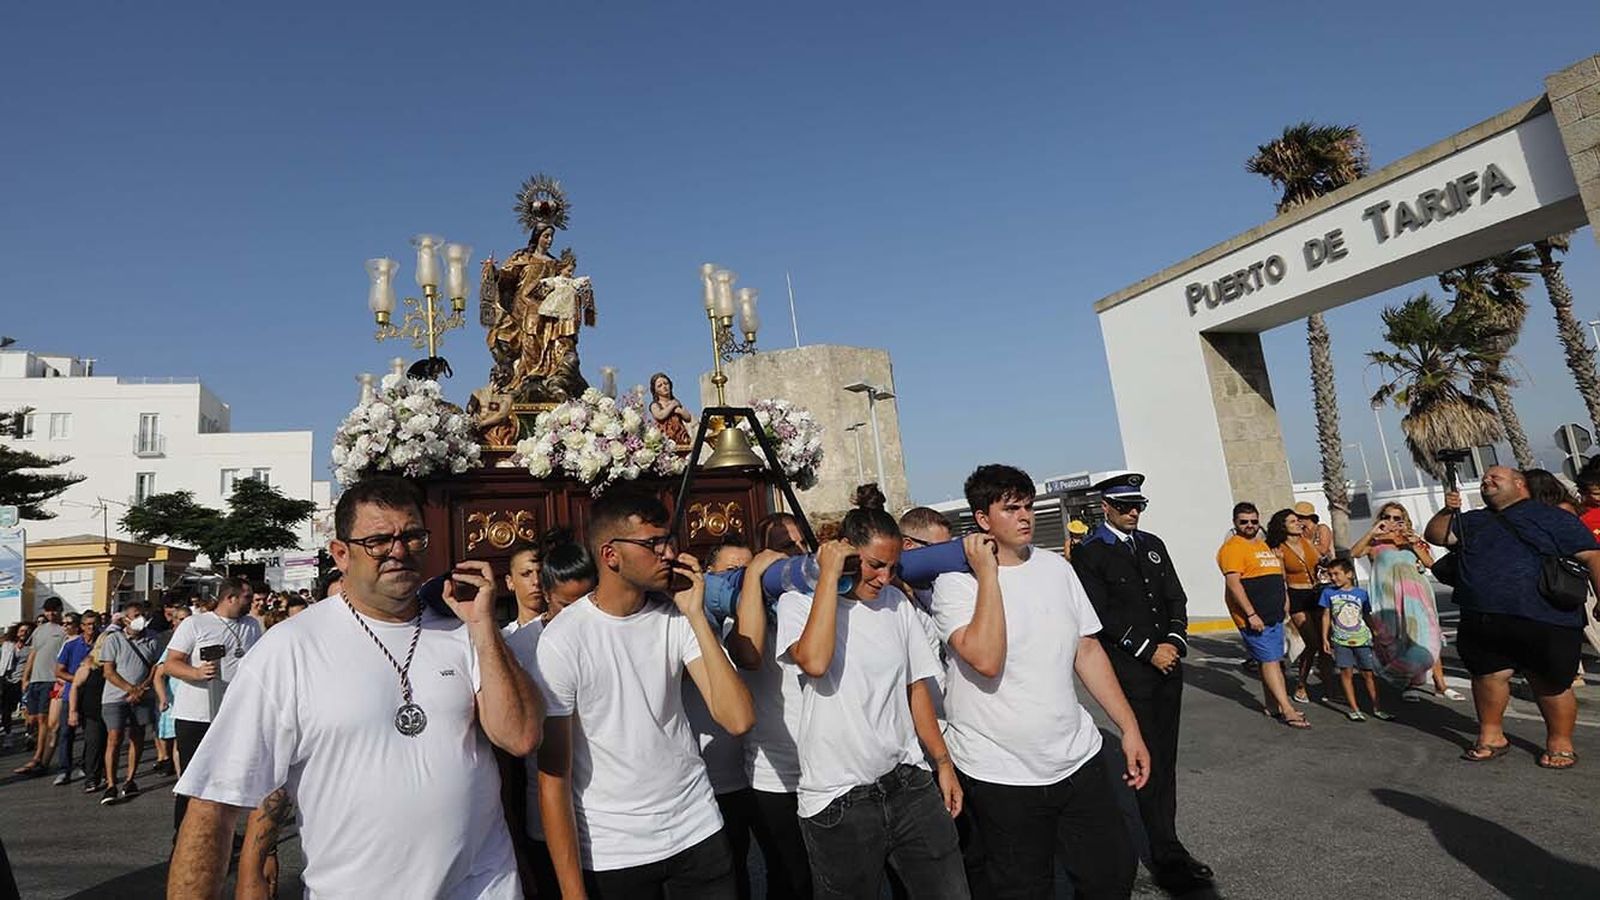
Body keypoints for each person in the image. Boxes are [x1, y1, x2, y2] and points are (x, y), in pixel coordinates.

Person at [169, 475, 541, 898]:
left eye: (412, 536)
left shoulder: (464, 627)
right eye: (379, 540)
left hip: (483, 888)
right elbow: (213, 805)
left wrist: (483, 627)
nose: (398, 552)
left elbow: (521, 736)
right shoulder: (288, 650)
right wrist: (253, 864)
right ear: (341, 554)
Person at [932, 465, 1150, 899]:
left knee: (1111, 873)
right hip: (1000, 772)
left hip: (1076, 758)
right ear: (982, 520)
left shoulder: (1057, 568)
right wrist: (989, 574)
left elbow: (1086, 650)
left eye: (1028, 506)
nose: (1025, 516)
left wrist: (1130, 729)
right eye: (1010, 508)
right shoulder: (954, 585)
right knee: (1023, 888)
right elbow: (986, 660)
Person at [536, 489, 754, 898]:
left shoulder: (674, 617)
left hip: (697, 828)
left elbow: (738, 718)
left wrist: (695, 614)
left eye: (668, 540)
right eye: (652, 543)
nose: (668, 553)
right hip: (615, 849)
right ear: (610, 554)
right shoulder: (565, 639)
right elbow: (553, 777)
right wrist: (571, 892)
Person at [780, 485, 967, 900]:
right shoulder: (797, 604)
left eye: (893, 567)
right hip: (838, 798)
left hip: (908, 783)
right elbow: (814, 661)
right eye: (874, 565)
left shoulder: (897, 606)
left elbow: (915, 687)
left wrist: (943, 762)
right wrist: (829, 576)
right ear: (846, 552)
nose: (884, 578)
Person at [1072, 472, 1212, 892]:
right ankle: (1163, 852)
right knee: (1147, 757)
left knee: (1165, 758)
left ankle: (1167, 840)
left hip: (1168, 667)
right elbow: (1101, 616)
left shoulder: (1153, 546)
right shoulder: (1091, 553)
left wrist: (1173, 642)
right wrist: (1147, 649)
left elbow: (1175, 597)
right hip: (1133, 671)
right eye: (1127, 505)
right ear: (1107, 507)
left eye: (1140, 506)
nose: (1135, 512)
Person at [1424, 466, 1600, 769]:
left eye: (1495, 477)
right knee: (1488, 676)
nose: (1486, 482)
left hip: (1546, 616)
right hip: (1483, 616)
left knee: (1550, 682)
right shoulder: (1472, 520)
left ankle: (1560, 742)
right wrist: (1447, 509)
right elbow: (1436, 535)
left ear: (1520, 484)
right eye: (1483, 480)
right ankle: (1491, 736)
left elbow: (1592, 555)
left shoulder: (1552, 516)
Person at [737, 512, 814, 900]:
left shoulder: (816, 601)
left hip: (826, 768)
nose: (798, 554)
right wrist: (753, 579)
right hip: (775, 776)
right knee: (791, 878)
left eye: (803, 545)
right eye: (786, 548)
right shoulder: (742, 609)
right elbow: (748, 654)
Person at [163, 577, 263, 831]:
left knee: (227, 781)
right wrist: (196, 673)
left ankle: (221, 835)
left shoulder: (251, 625)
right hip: (196, 716)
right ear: (230, 598)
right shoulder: (195, 624)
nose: (252, 602)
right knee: (194, 780)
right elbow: (171, 663)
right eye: (247, 597)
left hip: (233, 715)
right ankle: (183, 837)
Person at [1350, 502, 1456, 701]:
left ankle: (1441, 684)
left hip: (1417, 594)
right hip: (1389, 598)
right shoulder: (1374, 543)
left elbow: (1430, 563)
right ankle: (1410, 682)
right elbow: (1354, 553)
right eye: (1387, 517)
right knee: (1397, 640)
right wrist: (1373, 532)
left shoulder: (1411, 541)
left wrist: (1413, 542)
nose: (1391, 521)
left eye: (1396, 518)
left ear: (1404, 520)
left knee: (1428, 636)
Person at [1218, 502, 1308, 728]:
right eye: (1244, 522)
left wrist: (1284, 598)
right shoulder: (1232, 548)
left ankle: (1272, 705)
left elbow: (1276, 574)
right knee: (1271, 661)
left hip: (1274, 613)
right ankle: (1287, 709)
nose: (1249, 525)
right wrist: (1250, 614)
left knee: (1271, 661)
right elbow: (1234, 584)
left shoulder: (1262, 545)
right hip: (1255, 617)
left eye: (1254, 521)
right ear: (1235, 523)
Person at [99, 600, 166, 804]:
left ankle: (130, 780)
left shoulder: (152, 638)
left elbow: (155, 666)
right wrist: (130, 689)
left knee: (137, 736)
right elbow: (108, 671)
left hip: (143, 696)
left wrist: (143, 687)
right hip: (115, 697)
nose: (140, 619)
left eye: (142, 615)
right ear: (126, 618)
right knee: (114, 737)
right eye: (136, 615)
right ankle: (111, 784)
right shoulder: (114, 639)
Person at [1266, 508, 1333, 704]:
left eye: (1298, 521)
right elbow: (1281, 578)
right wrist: (1284, 600)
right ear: (1283, 526)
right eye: (1293, 521)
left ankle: (1330, 687)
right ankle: (1301, 684)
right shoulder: (1279, 548)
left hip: (1317, 593)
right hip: (1297, 595)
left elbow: (1322, 556)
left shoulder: (1307, 542)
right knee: (1312, 642)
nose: (1299, 523)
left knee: (1325, 643)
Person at [1318, 559, 1392, 722]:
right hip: (1340, 639)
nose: (1333, 578)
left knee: (1368, 673)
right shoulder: (1328, 593)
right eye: (1330, 575)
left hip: (1362, 639)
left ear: (1349, 574)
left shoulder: (1361, 594)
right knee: (1346, 673)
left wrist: (1375, 632)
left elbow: (1366, 615)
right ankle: (1354, 708)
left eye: (1336, 574)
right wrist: (1324, 637)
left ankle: (1377, 707)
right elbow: (1326, 616)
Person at [14, 597, 67, 776]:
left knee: (46, 720)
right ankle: (38, 756)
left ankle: (39, 759)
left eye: (54, 610)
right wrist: (25, 677)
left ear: (60, 610)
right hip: (36, 680)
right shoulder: (39, 630)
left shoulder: (64, 630)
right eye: (48, 610)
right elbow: (33, 654)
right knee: (35, 720)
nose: (51, 613)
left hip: (52, 680)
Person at [51, 611, 97, 785]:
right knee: (66, 733)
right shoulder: (70, 646)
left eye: (94, 624)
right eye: (87, 624)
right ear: (82, 626)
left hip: (92, 695)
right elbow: (59, 671)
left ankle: (86, 764)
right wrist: (78, 679)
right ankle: (64, 770)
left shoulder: (101, 645)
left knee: (91, 734)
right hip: (71, 693)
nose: (91, 628)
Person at [153, 601, 190, 776]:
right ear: (174, 622)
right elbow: (159, 675)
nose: (185, 623)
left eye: (188, 619)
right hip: (176, 697)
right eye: (181, 619)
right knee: (179, 743)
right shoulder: (173, 646)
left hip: (195, 697)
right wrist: (163, 698)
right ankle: (180, 778)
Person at [502, 541, 546, 637]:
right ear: (510, 582)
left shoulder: (564, 629)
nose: (536, 581)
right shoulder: (505, 638)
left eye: (541, 573)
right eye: (526, 574)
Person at [649, 372, 694, 447]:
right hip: (666, 438)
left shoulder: (676, 402)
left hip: (680, 437)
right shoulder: (655, 405)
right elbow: (660, 415)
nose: (664, 386)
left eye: (666, 383)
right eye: (660, 386)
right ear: (655, 390)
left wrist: (680, 411)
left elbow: (688, 418)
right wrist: (672, 406)